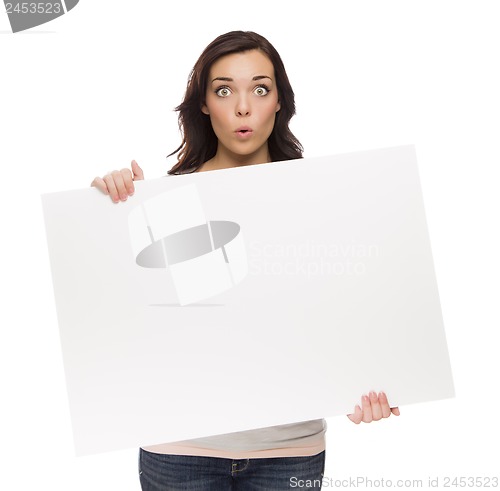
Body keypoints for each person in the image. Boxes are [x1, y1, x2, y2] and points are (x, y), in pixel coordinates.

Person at [91, 30, 400, 491]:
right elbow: (121, 322)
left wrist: (372, 384)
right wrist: (105, 206)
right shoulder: (159, 205)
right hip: (180, 449)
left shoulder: (329, 201)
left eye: (260, 88)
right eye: (223, 90)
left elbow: (352, 316)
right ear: (202, 104)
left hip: (289, 449)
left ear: (279, 101)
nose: (242, 108)